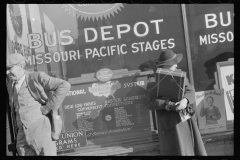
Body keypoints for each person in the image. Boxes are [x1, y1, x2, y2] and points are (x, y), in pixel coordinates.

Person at [6, 53, 71, 156]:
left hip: (40, 130)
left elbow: (64, 85)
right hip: (22, 134)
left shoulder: (36, 77)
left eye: (10, 68)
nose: (7, 72)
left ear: (21, 66)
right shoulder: (10, 85)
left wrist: (49, 107)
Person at [146, 49, 207, 156]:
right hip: (170, 125)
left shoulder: (180, 76)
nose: (176, 65)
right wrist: (168, 105)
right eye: (174, 63)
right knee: (178, 150)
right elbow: (151, 103)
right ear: (165, 66)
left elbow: (190, 90)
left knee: (192, 149)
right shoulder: (153, 81)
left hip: (185, 120)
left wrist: (185, 100)